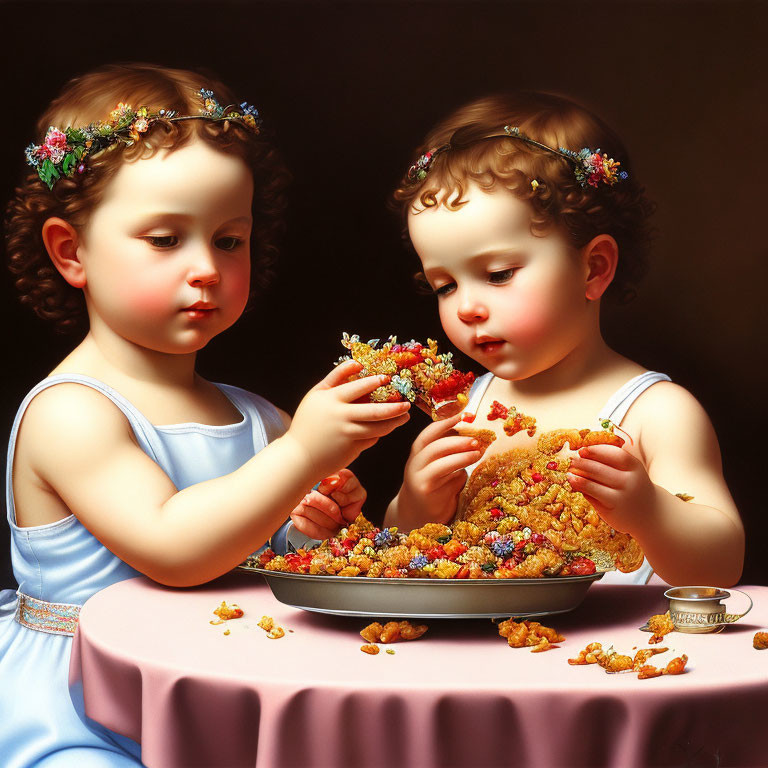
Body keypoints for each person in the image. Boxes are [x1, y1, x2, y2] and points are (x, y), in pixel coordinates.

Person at [0, 62, 410, 766]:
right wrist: (305, 455)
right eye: (165, 240)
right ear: (72, 252)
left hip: (229, 693)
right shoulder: (71, 413)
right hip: (94, 710)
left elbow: (269, 565)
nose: (206, 269)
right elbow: (177, 550)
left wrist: (315, 529)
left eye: (228, 239)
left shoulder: (259, 420)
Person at [384, 91, 743, 588]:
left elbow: (721, 566)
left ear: (593, 267)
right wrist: (415, 505)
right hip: (483, 656)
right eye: (444, 285)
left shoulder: (657, 413)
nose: (466, 307)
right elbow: (399, 559)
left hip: (612, 658)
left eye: (498, 273)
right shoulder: (467, 411)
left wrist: (650, 513)